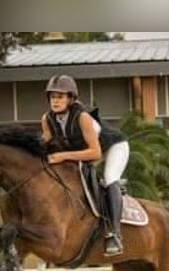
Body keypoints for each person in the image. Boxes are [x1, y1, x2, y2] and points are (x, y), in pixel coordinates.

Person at [40, 74, 129, 256]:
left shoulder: (83, 117)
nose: (55, 101)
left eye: (60, 97)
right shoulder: (47, 119)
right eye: (52, 97)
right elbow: (46, 144)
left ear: (71, 98)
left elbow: (95, 153)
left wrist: (62, 156)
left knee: (110, 178)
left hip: (113, 146)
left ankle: (114, 234)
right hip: (85, 152)